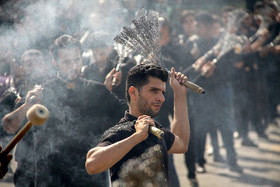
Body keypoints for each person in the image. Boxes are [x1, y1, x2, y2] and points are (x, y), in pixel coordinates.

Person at [3, 35, 127, 186]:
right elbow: (9, 125)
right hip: (50, 178)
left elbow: (126, 116)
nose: (73, 66)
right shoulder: (42, 92)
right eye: (67, 62)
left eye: (77, 60)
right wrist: (27, 106)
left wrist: (131, 89)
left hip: (90, 178)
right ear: (55, 63)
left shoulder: (97, 91)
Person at [85, 63, 190, 185]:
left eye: (162, 92)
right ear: (133, 93)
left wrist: (180, 94)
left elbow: (181, 143)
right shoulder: (121, 130)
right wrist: (137, 137)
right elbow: (92, 165)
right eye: (154, 91)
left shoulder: (154, 128)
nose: (161, 98)